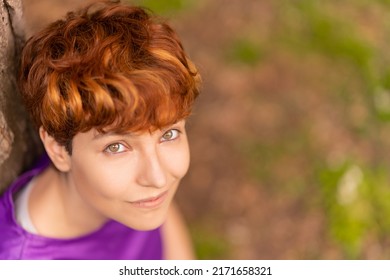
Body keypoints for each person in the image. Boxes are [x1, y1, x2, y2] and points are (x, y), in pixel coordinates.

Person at [0, 0, 200, 259]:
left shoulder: (130, 194)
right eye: (116, 147)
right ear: (58, 150)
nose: (158, 178)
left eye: (168, 134)